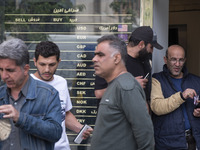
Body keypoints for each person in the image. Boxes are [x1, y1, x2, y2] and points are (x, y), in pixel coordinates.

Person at [90, 35, 154, 150]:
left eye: (100, 55)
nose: (94, 59)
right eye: (95, 54)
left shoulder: (126, 87)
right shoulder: (115, 85)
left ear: (116, 58)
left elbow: (145, 134)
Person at [0, 38, 62, 150]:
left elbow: (55, 133)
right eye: (1, 69)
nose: (4, 76)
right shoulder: (1, 94)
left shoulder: (48, 94)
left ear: (26, 69)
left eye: (10, 70)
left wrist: (21, 118)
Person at [31, 41, 93, 150]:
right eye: (42, 64)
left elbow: (65, 113)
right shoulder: (26, 84)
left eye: (51, 64)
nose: (47, 69)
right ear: (35, 62)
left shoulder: (62, 82)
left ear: (58, 62)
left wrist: (80, 128)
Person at [94, 26, 163, 108]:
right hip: (115, 118)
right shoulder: (114, 59)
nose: (152, 51)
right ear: (141, 44)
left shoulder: (145, 61)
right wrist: (132, 85)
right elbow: (98, 93)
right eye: (151, 47)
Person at [150, 45, 200, 150]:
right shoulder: (157, 79)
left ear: (185, 60)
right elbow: (156, 107)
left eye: (181, 60)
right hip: (168, 143)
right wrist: (181, 96)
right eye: (173, 59)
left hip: (194, 141)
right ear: (165, 59)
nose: (177, 64)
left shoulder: (196, 80)